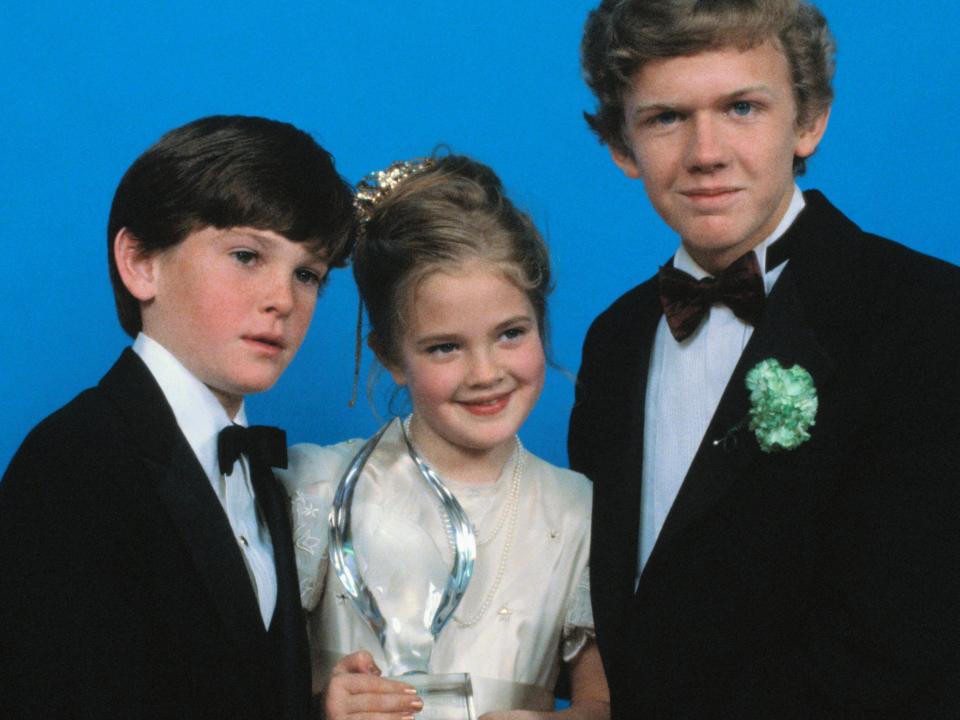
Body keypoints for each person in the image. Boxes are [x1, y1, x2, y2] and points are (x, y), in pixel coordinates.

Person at [569, 1, 960, 718]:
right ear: (622, 144)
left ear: (808, 121)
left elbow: (909, 640)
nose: (706, 151)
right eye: (665, 117)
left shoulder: (930, 318)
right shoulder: (615, 338)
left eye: (742, 107)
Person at [0, 115, 355, 719]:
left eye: (307, 274)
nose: (283, 299)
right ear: (140, 262)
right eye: (246, 255)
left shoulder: (259, 475)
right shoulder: (72, 463)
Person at [278, 154, 610, 720]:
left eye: (510, 333)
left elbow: (603, 699)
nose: (485, 373)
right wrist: (319, 706)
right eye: (444, 347)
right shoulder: (317, 487)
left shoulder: (578, 510)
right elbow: (234, 682)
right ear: (391, 358)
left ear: (540, 322)